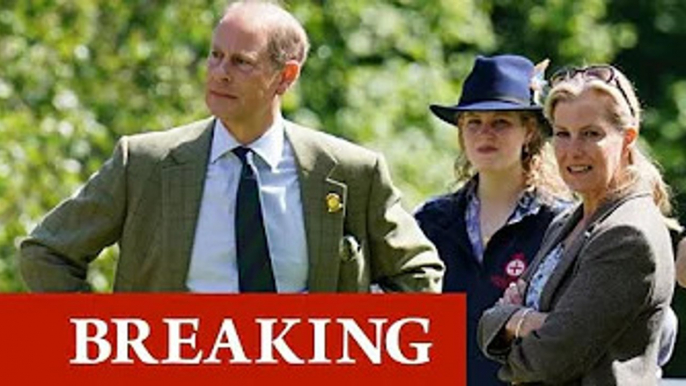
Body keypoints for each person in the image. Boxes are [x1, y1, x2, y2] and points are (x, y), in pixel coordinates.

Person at [19, 0, 444, 293]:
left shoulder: (350, 171)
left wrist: (363, 339)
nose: (220, 73)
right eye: (215, 56)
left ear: (285, 76)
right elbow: (46, 252)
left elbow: (419, 273)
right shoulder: (144, 162)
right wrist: (108, 342)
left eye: (241, 62)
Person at [478, 64, 675, 385]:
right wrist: (523, 322)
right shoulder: (565, 222)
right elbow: (490, 323)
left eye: (591, 134)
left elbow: (552, 360)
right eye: (562, 134)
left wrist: (517, 320)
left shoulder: (627, 234)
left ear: (627, 138)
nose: (573, 150)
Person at [414, 54, 570, 386]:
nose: (485, 133)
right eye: (473, 121)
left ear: (528, 132)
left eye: (501, 122)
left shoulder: (559, 225)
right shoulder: (430, 222)